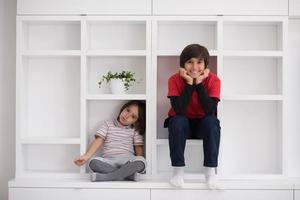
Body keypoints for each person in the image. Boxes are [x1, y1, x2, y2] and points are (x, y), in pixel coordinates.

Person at [164, 44, 221, 189]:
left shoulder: (214, 80)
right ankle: (178, 173)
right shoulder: (174, 79)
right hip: (182, 124)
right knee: (177, 121)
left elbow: (209, 110)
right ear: (183, 64)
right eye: (190, 62)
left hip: (203, 124)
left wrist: (200, 84)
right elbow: (179, 109)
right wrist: (190, 84)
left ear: (206, 65)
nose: (195, 67)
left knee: (212, 122)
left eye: (199, 62)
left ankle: (210, 173)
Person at [74, 100, 146, 181]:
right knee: (93, 162)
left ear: (136, 122)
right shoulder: (108, 124)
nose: (127, 115)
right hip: (109, 161)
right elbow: (98, 140)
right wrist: (86, 156)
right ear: (123, 108)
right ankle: (128, 176)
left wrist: (140, 161)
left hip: (127, 161)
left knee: (142, 162)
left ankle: (107, 177)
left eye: (133, 117)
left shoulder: (135, 130)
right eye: (128, 110)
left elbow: (139, 148)